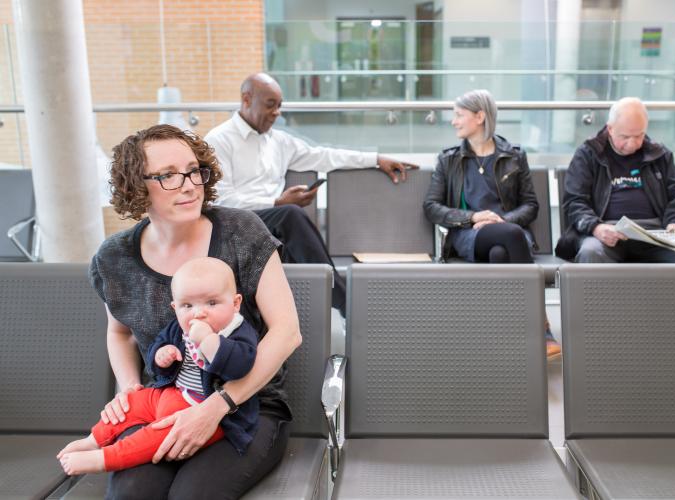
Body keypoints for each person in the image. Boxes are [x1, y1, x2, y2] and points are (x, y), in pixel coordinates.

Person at [86, 124, 301, 499]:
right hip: (166, 401)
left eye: (192, 170)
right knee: (131, 494)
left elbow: (287, 332)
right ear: (136, 187)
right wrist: (130, 387)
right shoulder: (115, 256)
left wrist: (217, 406)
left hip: (247, 406)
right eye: (167, 175)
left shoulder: (241, 230)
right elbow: (120, 332)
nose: (188, 184)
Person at [204, 72, 417, 316]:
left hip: (272, 226)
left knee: (290, 230)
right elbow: (220, 200)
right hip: (236, 223)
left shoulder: (279, 142)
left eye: (280, 106)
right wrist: (276, 202)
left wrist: (376, 159)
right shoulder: (219, 140)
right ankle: (346, 303)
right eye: (270, 105)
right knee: (290, 214)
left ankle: (325, 314)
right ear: (246, 99)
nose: (277, 113)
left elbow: (325, 155)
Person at [58, 257, 260, 475]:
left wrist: (209, 341)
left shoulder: (237, 331)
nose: (199, 313)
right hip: (169, 393)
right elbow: (157, 354)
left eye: (212, 303)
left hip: (202, 410)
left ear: (235, 303)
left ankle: (106, 459)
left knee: (157, 434)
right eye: (187, 306)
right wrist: (161, 357)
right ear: (175, 308)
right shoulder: (177, 328)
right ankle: (94, 439)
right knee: (132, 402)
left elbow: (240, 367)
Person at [423, 89, 561, 359]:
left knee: (501, 251)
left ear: (480, 116)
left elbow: (530, 204)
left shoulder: (513, 156)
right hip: (468, 235)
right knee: (510, 236)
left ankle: (507, 333)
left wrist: (503, 219)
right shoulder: (448, 158)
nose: (453, 121)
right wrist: (472, 217)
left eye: (459, 115)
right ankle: (540, 329)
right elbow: (431, 207)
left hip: (510, 234)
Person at [556, 97, 675, 264]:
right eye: (625, 137)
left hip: (656, 235)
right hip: (608, 233)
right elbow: (575, 202)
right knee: (591, 253)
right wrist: (596, 227)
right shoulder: (589, 154)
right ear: (610, 129)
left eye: (639, 136)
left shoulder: (659, 155)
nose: (632, 144)